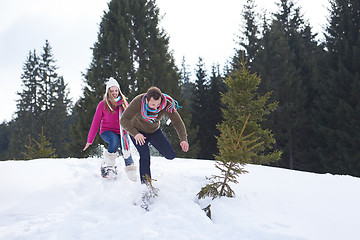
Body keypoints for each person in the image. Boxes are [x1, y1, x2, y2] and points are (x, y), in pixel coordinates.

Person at [120, 86, 189, 183]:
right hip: (138, 132)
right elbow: (123, 119)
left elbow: (177, 122)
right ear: (147, 101)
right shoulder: (138, 101)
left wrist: (183, 139)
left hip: (154, 132)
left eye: (158, 104)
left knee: (170, 155)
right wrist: (135, 134)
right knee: (145, 155)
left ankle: (151, 143)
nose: (156, 107)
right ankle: (146, 187)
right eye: (153, 105)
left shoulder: (166, 104)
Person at [83, 77, 137, 180]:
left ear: (119, 91)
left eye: (116, 90)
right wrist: (89, 140)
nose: (114, 93)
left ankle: (133, 178)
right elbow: (95, 123)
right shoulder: (103, 104)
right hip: (107, 131)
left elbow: (133, 120)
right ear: (108, 92)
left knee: (126, 152)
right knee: (114, 140)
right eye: (112, 91)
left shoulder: (124, 104)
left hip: (122, 132)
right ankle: (107, 166)